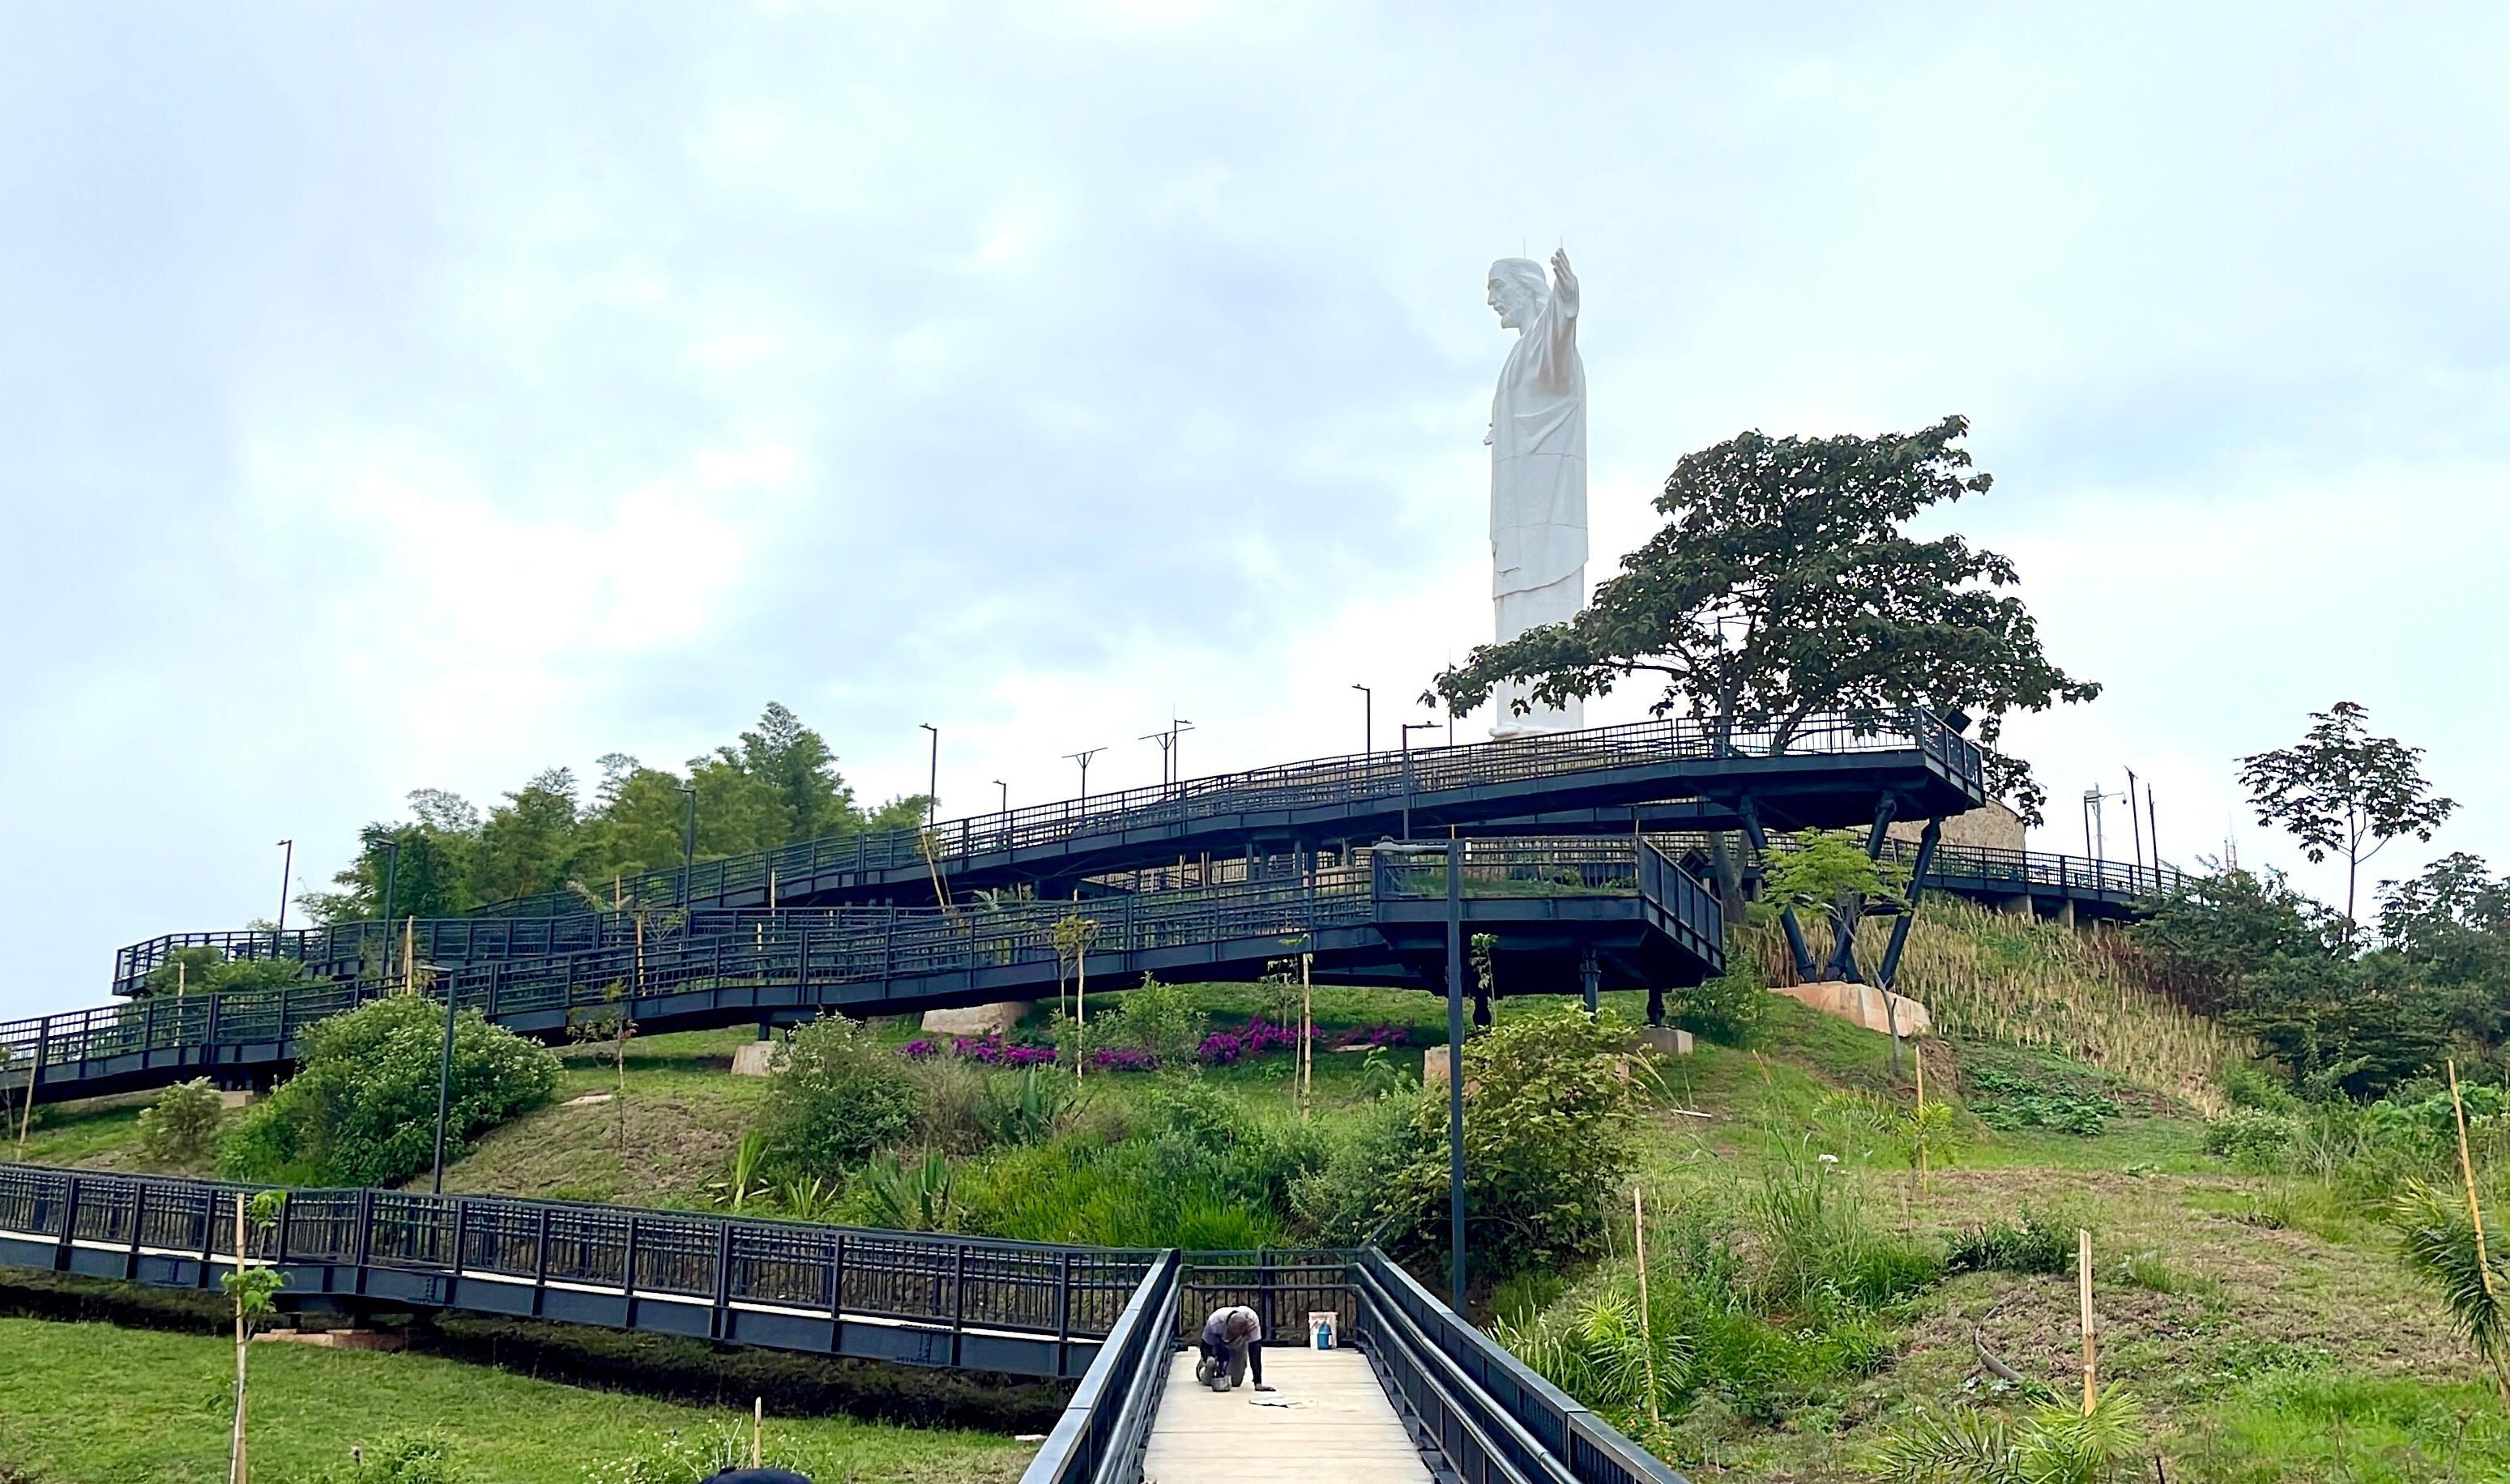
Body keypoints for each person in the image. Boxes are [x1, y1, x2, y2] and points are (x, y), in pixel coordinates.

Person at [1193, 1303, 1273, 1393]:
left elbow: (1255, 1350)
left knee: (1235, 1382)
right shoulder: (1214, 1321)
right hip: (1217, 1343)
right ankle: (1202, 1368)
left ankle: (1225, 1369)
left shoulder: (1252, 1321)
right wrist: (1208, 1357)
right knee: (1208, 1380)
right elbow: (1205, 1345)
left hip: (1238, 1345)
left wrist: (1258, 1381)